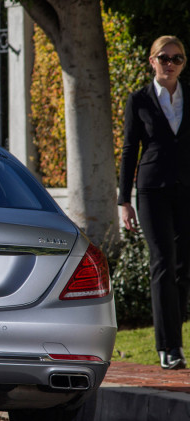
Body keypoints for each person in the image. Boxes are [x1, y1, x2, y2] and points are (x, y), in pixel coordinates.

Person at [119, 35, 189, 370]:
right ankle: (169, 347)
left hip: (185, 190)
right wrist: (123, 200)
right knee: (162, 261)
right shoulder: (139, 100)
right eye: (165, 58)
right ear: (152, 61)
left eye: (177, 59)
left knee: (182, 267)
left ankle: (176, 339)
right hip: (151, 191)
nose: (171, 64)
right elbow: (130, 150)